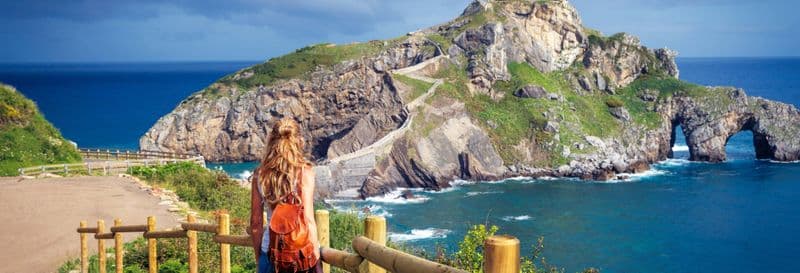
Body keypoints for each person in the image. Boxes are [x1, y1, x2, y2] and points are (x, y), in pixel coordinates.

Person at [250, 118, 321, 273]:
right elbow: (308, 220)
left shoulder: (259, 175)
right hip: (299, 254)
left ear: (271, 141)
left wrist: (259, 258)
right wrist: (315, 255)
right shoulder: (305, 172)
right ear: (299, 141)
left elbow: (255, 224)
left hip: (269, 253)